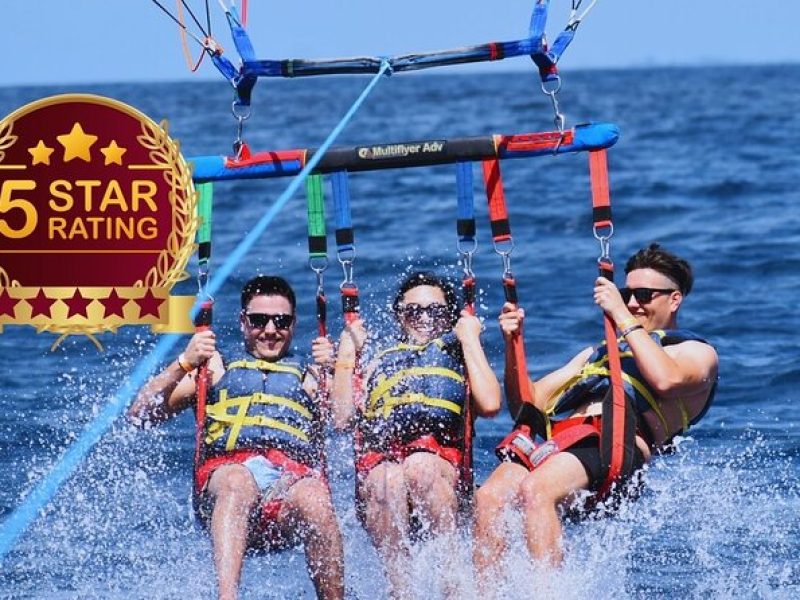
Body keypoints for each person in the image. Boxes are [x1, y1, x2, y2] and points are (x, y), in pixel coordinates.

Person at [473, 243, 719, 578]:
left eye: (644, 295)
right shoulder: (599, 353)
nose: (633, 303)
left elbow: (666, 380)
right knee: (488, 500)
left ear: (674, 299)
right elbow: (526, 405)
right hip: (559, 441)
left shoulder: (694, 351)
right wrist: (512, 342)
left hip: (613, 444)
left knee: (535, 491)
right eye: (626, 293)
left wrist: (619, 314)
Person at [128, 275, 344, 600]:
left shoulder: (310, 375)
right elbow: (140, 415)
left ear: (294, 324)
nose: (270, 330)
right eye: (259, 320)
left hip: (285, 498)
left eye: (281, 321)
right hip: (225, 491)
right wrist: (183, 362)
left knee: (315, 494)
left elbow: (343, 420)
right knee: (237, 480)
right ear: (243, 321)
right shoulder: (214, 368)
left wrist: (341, 366)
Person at [331, 271, 501, 598]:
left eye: (436, 311)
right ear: (399, 316)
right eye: (414, 311)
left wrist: (469, 338)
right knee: (387, 477)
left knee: (419, 467)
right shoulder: (377, 361)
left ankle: (453, 585)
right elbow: (341, 419)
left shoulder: (459, 355)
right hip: (385, 484)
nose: (424, 318)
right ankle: (402, 591)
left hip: (444, 477)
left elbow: (492, 403)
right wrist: (346, 356)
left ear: (450, 317)